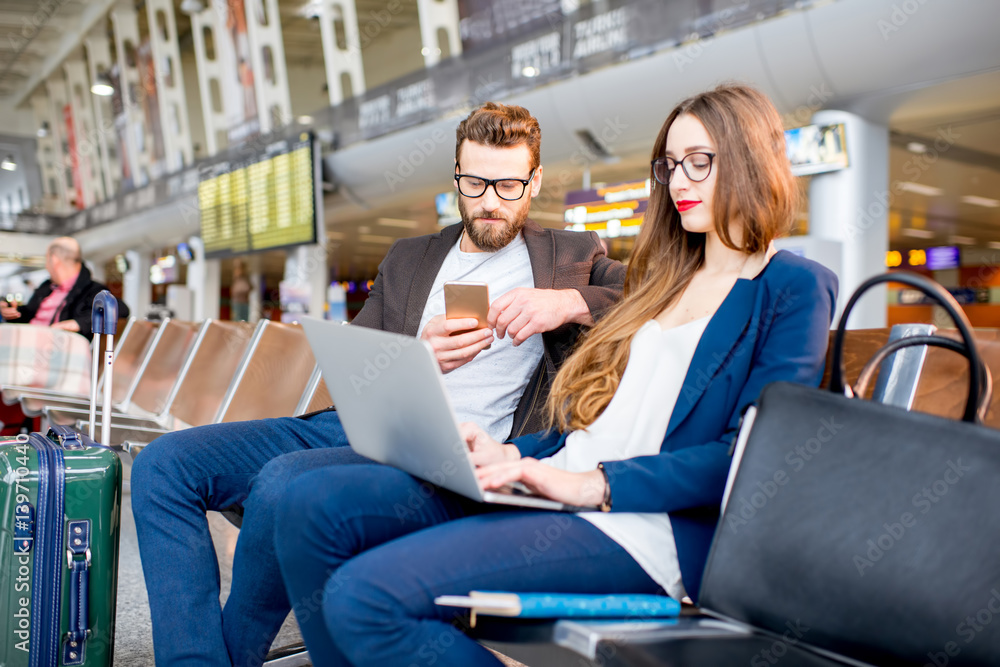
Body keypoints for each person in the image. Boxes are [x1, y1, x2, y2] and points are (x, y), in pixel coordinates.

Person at [272, 83, 840, 666]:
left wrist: (594, 484)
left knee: (364, 599)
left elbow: (750, 456)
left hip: (641, 525)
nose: (680, 182)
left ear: (750, 160)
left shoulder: (791, 285)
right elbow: (599, 423)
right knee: (312, 505)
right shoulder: (662, 280)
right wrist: (509, 454)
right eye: (670, 165)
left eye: (700, 162)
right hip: (553, 480)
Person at [129, 102, 626, 666]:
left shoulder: (571, 256)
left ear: (534, 181)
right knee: (162, 465)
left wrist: (566, 301)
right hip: (359, 423)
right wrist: (416, 357)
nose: (490, 201)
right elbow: (357, 364)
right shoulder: (410, 258)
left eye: (508, 185)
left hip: (444, 450)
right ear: (456, 177)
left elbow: (657, 291)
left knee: (281, 484)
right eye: (475, 182)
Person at [0, 236, 130, 340]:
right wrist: (12, 311)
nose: (46, 265)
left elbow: (120, 308)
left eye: (47, 260)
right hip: (27, 342)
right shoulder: (46, 287)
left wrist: (78, 323)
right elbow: (29, 314)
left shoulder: (91, 290)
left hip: (55, 351)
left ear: (54, 260)